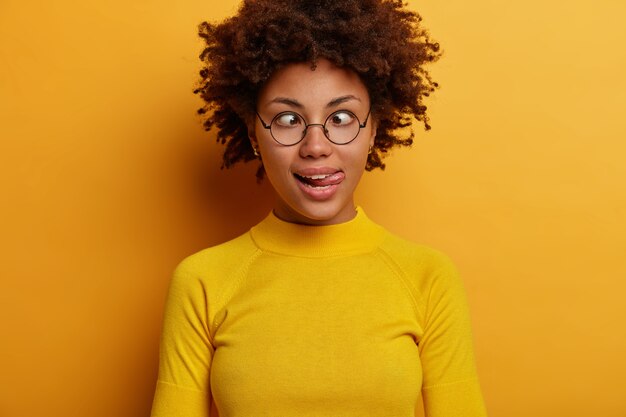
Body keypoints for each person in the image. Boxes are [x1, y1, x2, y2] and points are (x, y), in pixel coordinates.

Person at [151, 0, 487, 416]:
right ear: (254, 134)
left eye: (342, 117)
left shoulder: (428, 278)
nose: (316, 147)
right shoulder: (202, 281)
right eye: (288, 120)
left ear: (373, 130)